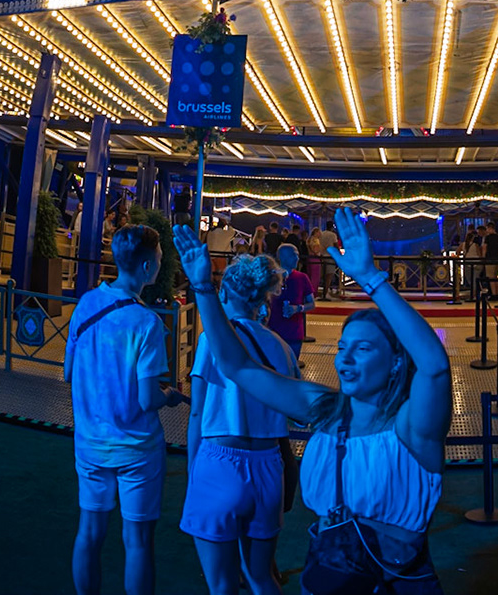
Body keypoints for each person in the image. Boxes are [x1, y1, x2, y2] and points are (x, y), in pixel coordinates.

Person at [171, 208, 452, 593]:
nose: (346, 359)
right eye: (342, 347)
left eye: (364, 348)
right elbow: (237, 367)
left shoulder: (412, 428)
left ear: (396, 362)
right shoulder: (328, 411)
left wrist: (371, 278)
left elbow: (435, 366)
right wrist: (203, 287)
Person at [64, 224, 188, 595]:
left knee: (89, 533)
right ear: (149, 267)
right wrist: (170, 396)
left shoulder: (85, 304)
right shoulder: (146, 322)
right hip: (136, 449)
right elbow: (148, 399)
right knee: (137, 542)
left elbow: (69, 372)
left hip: (89, 443)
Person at [183, 254, 297, 595]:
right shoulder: (281, 348)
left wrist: (193, 472)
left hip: (220, 460)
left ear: (229, 292)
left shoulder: (214, 340)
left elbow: (197, 414)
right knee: (263, 578)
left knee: (222, 584)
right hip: (268, 465)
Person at [268, 243, 317, 357]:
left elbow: (312, 303)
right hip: (273, 331)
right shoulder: (271, 278)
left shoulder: (302, 277)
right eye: (293, 255)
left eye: (297, 255)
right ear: (282, 257)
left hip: (294, 333)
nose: (297, 258)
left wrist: (298, 308)